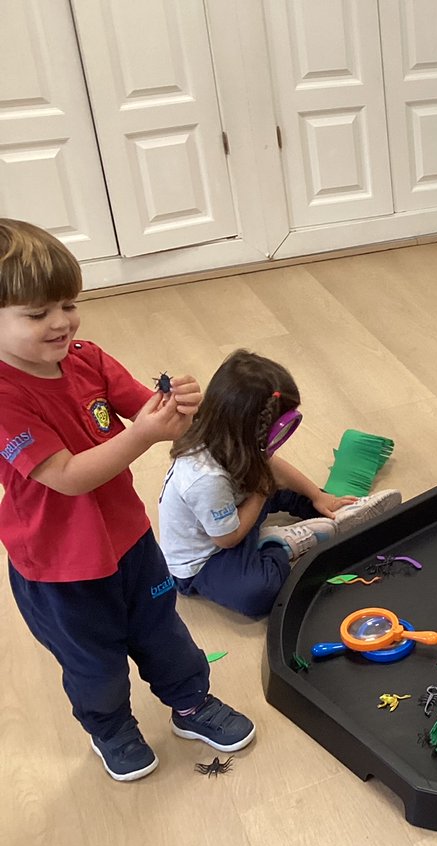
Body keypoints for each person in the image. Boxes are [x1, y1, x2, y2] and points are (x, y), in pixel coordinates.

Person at [0, 218, 254, 782]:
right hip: (59, 567)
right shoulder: (4, 396)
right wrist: (141, 433)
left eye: (67, 303)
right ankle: (111, 728)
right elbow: (66, 476)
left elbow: (148, 409)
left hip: (129, 540)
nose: (62, 322)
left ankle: (190, 704)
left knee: (163, 631)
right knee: (95, 663)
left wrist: (178, 406)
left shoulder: (87, 356)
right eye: (37, 313)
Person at [158, 349, 403, 617]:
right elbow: (228, 539)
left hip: (234, 509)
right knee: (258, 594)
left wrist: (319, 496)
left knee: (283, 486)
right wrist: (262, 491)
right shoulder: (204, 479)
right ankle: (277, 544)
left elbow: (272, 466)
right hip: (207, 558)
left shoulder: (231, 437)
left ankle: (336, 512)